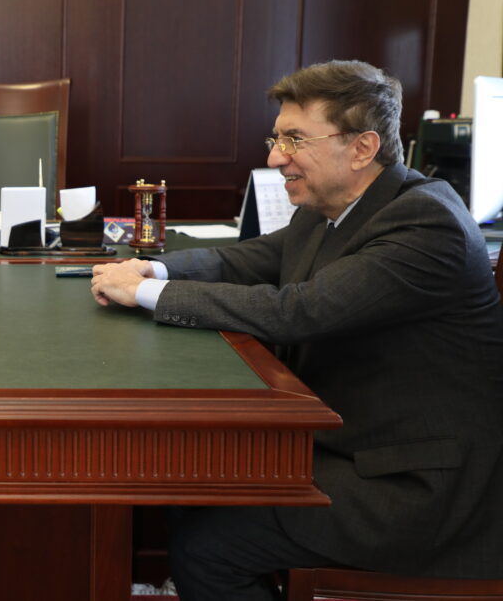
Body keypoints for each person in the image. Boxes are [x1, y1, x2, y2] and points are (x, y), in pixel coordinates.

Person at [91, 60, 503, 600]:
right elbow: (247, 260)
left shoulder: (426, 223)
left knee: (207, 548)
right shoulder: (330, 206)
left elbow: (300, 311)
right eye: (277, 138)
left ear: (362, 148)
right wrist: (152, 270)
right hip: (353, 445)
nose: (274, 157)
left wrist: (145, 295)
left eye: (294, 139)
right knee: (187, 479)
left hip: (415, 487)